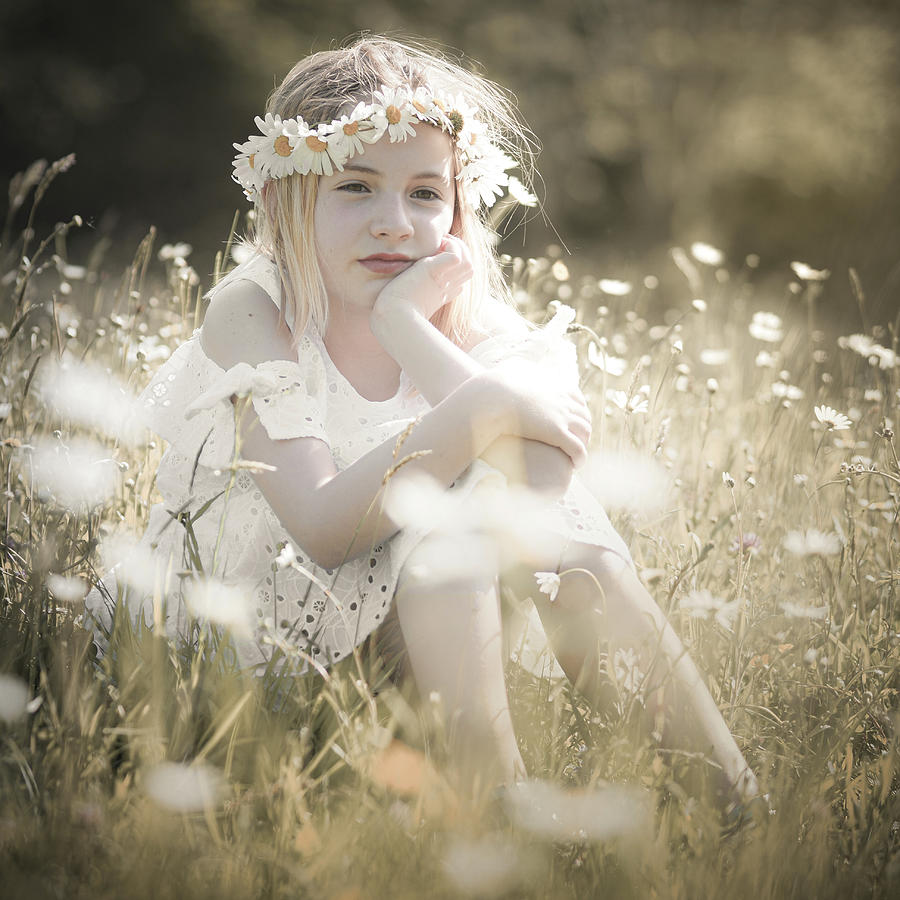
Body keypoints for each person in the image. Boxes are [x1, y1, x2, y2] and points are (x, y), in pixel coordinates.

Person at [86, 35, 761, 820]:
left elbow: (549, 491)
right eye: (356, 187)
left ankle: (730, 806)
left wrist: (410, 326)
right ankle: (502, 813)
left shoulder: (479, 330)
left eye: (423, 194)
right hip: (254, 671)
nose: (393, 224)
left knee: (580, 568)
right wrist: (477, 411)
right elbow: (323, 530)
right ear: (282, 199)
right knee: (455, 551)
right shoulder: (258, 314)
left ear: (459, 207)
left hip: (410, 652)